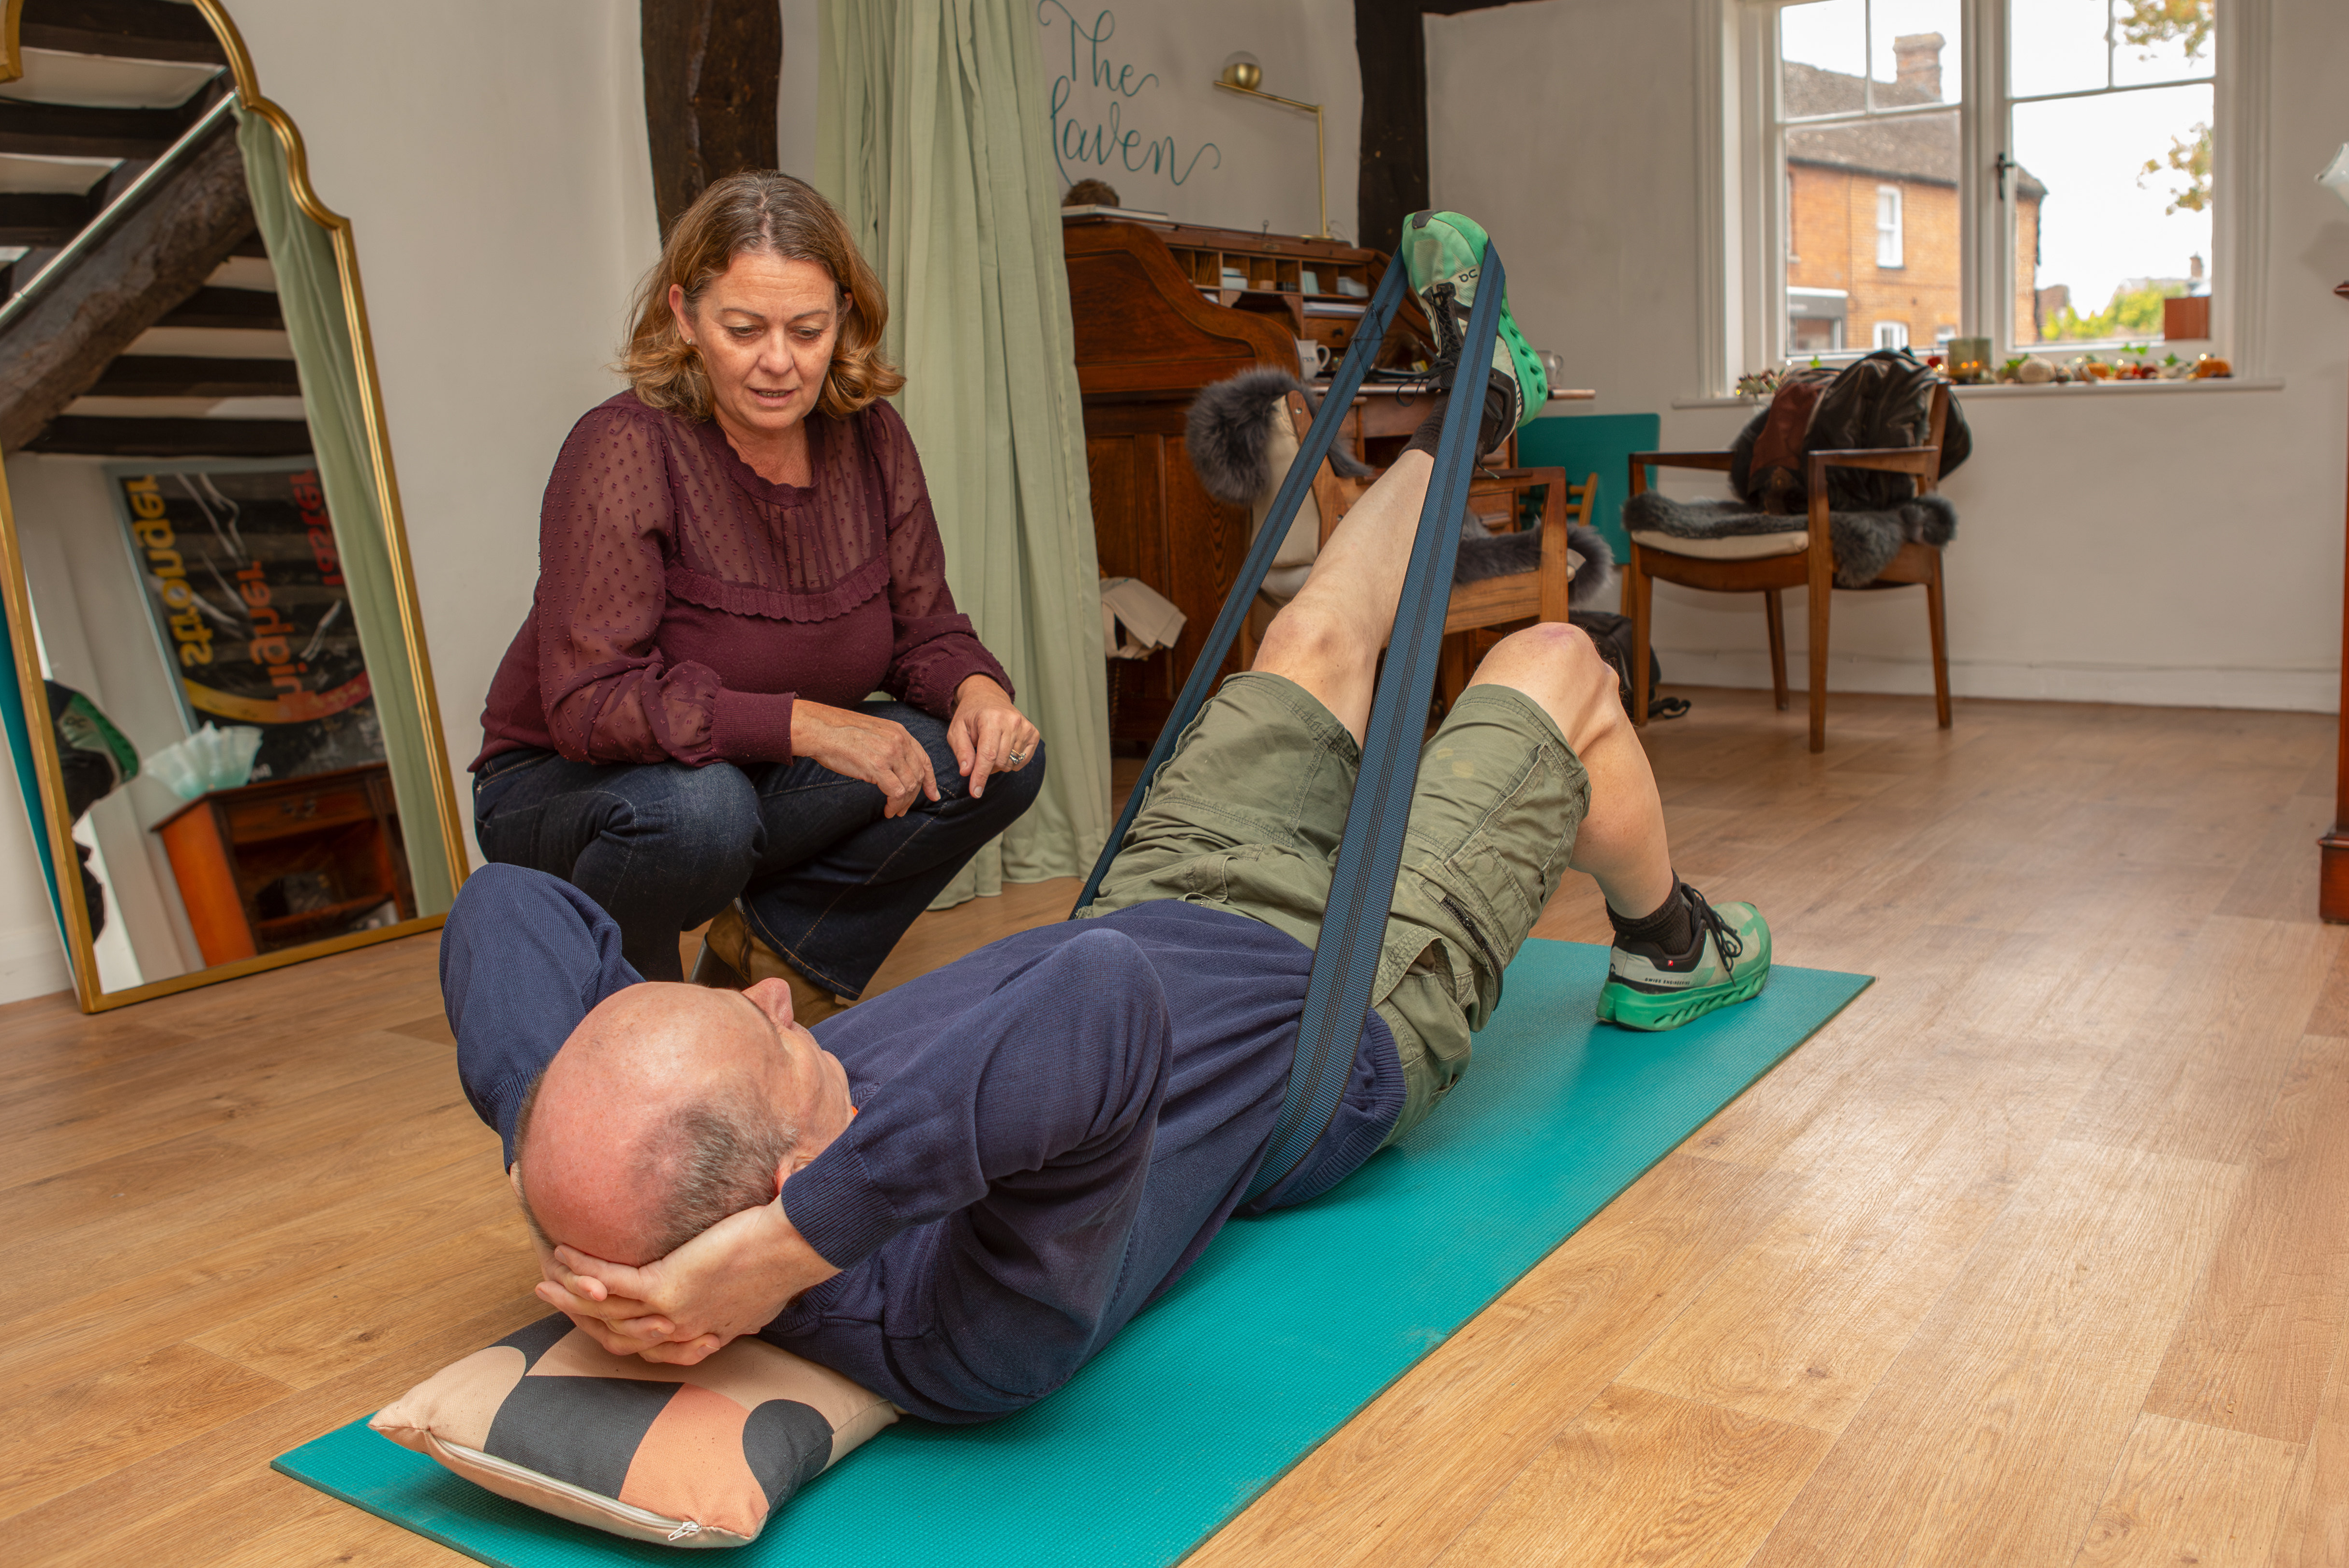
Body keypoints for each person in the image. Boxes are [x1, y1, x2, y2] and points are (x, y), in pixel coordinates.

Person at [440, 213, 1770, 1424]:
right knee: (1551, 667)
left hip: (1177, 891)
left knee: (1306, 637)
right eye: (763, 1034)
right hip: (1338, 999)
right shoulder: (951, 1323)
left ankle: (1474, 411)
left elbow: (510, 904)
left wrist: (547, 1148)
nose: (788, 1003)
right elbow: (1096, 992)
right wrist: (795, 1250)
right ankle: (1669, 944)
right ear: (788, 1178)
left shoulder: (730, 1175)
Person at [471, 172, 1044, 1001]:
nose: (780, 362)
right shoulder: (623, 447)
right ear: (685, 316)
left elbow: (923, 627)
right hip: (565, 786)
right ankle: (636, 1021)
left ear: (842, 317)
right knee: (698, 812)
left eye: (807, 330)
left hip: (740, 773)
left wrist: (979, 690)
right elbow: (589, 704)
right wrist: (808, 727)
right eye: (744, 329)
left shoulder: (871, 439)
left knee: (993, 760)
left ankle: (773, 960)